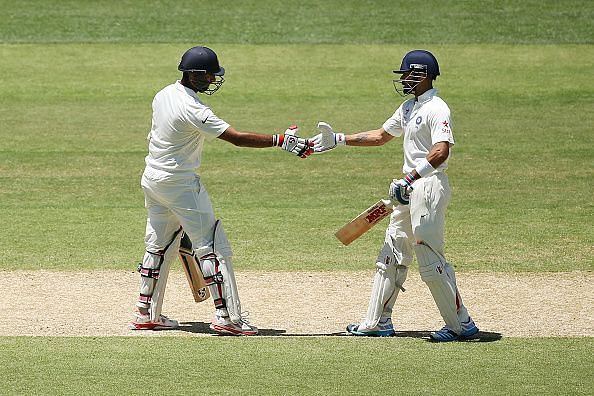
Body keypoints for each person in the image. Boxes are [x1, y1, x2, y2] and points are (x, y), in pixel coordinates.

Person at [129, 46, 312, 335]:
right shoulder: (194, 109)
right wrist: (281, 140)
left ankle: (146, 313)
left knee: (159, 245)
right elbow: (237, 139)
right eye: (211, 74)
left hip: (153, 179)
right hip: (181, 184)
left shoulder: (163, 94)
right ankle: (228, 318)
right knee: (213, 247)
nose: (214, 78)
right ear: (195, 74)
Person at [312, 50, 478, 341]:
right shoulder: (408, 107)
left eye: (407, 74)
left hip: (427, 187)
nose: (403, 79)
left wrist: (411, 177)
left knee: (428, 256)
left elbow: (441, 152)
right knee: (392, 252)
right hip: (406, 189)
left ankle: (460, 324)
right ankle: (377, 322)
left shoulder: (437, 108)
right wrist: (338, 139)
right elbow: (380, 136)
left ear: (422, 75)